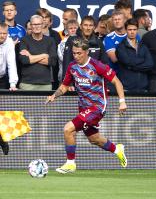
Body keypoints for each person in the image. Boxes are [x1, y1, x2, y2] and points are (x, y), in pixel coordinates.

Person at [46, 37, 127, 174]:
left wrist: (122, 101)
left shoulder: (97, 65)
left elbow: (117, 82)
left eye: (79, 53)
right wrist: (55, 95)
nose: (76, 56)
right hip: (84, 107)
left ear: (87, 52)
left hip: (97, 107)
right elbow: (65, 86)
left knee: (68, 129)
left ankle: (70, 164)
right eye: (74, 53)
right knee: (94, 139)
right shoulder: (72, 67)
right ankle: (117, 149)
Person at [18, 15, 57, 91]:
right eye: (34, 24)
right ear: (31, 26)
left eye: (39, 24)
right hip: (27, 84)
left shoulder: (50, 41)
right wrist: (43, 55)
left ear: (42, 25)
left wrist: (31, 56)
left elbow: (52, 61)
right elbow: (24, 60)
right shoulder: (24, 40)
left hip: (46, 84)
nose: (36, 26)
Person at [116, 18, 153, 91]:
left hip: (143, 88)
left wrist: (131, 67)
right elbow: (128, 62)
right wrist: (142, 61)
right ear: (126, 30)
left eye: (134, 29)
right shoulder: (120, 47)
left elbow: (150, 64)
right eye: (130, 30)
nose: (132, 32)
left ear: (137, 30)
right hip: (126, 88)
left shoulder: (143, 46)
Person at [0, 22, 18, 90]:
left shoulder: (10, 42)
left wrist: (13, 84)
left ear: (7, 33)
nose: (2, 36)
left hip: (2, 79)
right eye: (0, 33)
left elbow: (11, 63)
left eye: (4, 33)